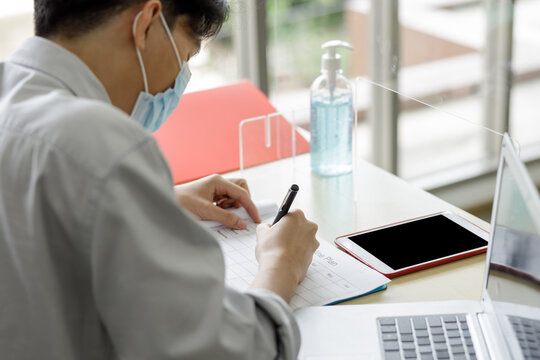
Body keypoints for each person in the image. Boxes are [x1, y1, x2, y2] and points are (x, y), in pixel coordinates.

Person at [0, 0, 319, 359]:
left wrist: (154, 198)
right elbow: (228, 351)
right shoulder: (103, 145)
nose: (178, 81)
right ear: (148, 22)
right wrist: (282, 264)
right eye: (184, 56)